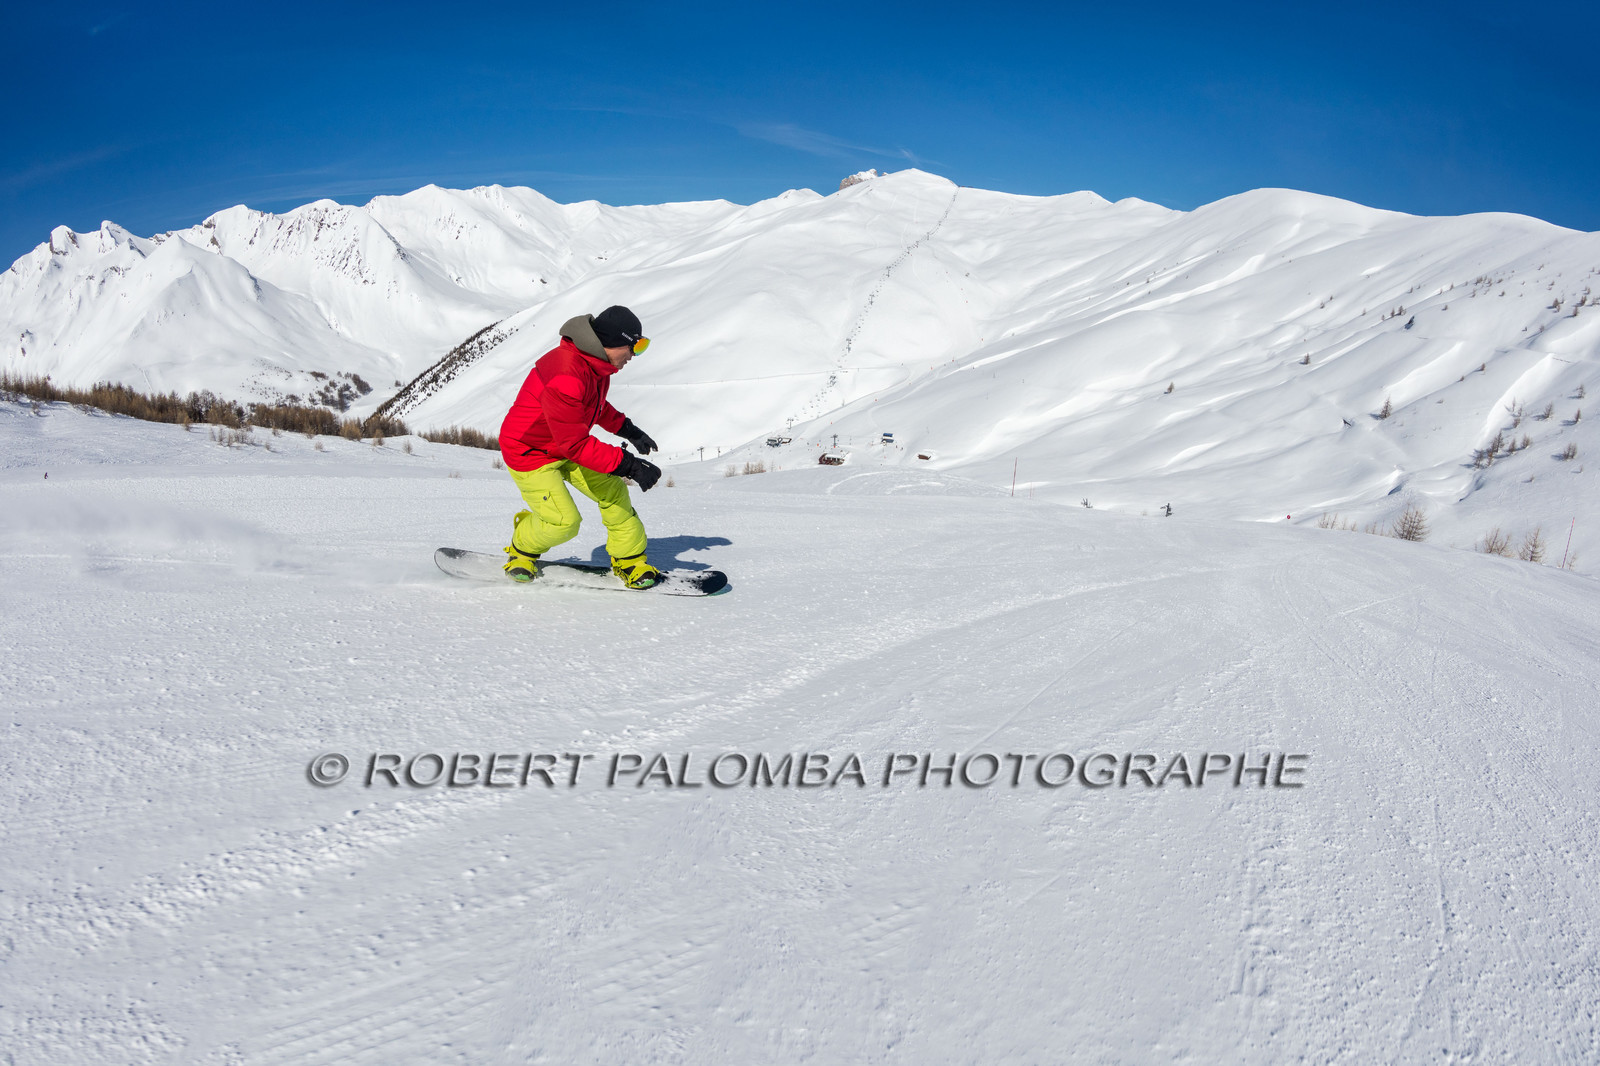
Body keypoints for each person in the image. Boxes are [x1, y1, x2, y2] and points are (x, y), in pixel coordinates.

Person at [498, 306, 665, 588]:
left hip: (564, 444)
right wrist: (629, 464)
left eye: (642, 346)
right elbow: (576, 443)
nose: (634, 355)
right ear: (613, 341)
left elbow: (592, 406)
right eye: (635, 345)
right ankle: (522, 549)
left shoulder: (595, 365)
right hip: (530, 451)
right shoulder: (568, 374)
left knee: (614, 493)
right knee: (563, 521)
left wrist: (627, 429)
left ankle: (630, 562)